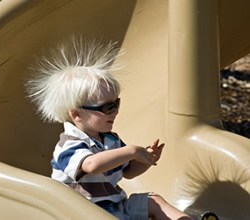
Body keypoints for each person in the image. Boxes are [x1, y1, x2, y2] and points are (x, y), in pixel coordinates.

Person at [26, 38, 192, 220]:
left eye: (116, 104)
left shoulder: (111, 140)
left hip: (114, 207)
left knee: (153, 200)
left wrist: (144, 160)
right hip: (81, 214)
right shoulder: (68, 145)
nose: (116, 111)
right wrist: (132, 150)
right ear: (77, 114)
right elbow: (92, 165)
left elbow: (128, 172)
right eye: (107, 107)